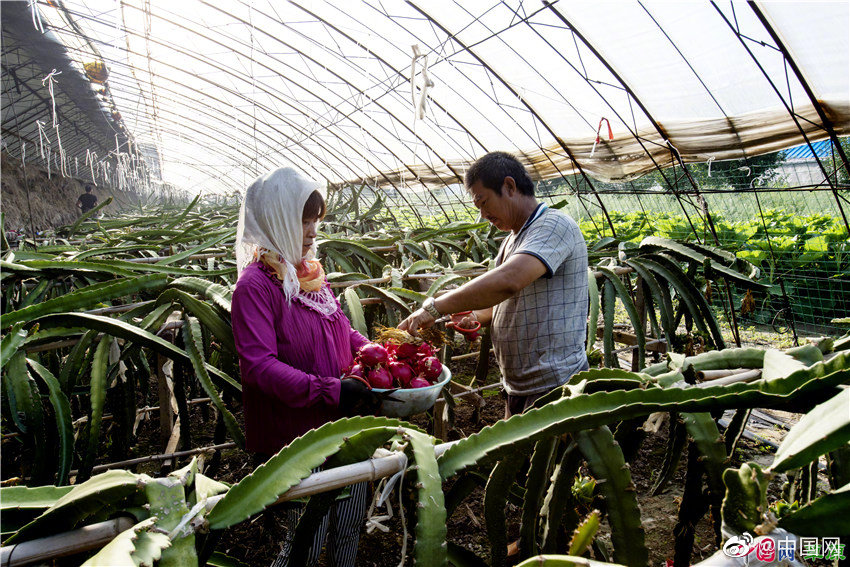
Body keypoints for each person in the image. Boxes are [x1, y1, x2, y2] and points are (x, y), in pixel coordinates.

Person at [230, 167, 381, 567]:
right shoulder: (255, 287)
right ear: (275, 220)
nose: (313, 230)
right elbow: (258, 368)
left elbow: (343, 328)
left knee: (349, 523)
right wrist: (330, 390)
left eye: (316, 219)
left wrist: (374, 353)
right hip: (298, 437)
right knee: (303, 542)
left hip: (344, 422)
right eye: (303, 219)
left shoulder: (311, 274)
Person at [399, 151, 589, 418]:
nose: (483, 214)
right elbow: (500, 302)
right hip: (519, 383)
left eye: (484, 202)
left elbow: (508, 282)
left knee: (545, 457)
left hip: (553, 382)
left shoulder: (554, 225)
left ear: (509, 187)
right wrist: (475, 316)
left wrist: (434, 308)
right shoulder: (512, 240)